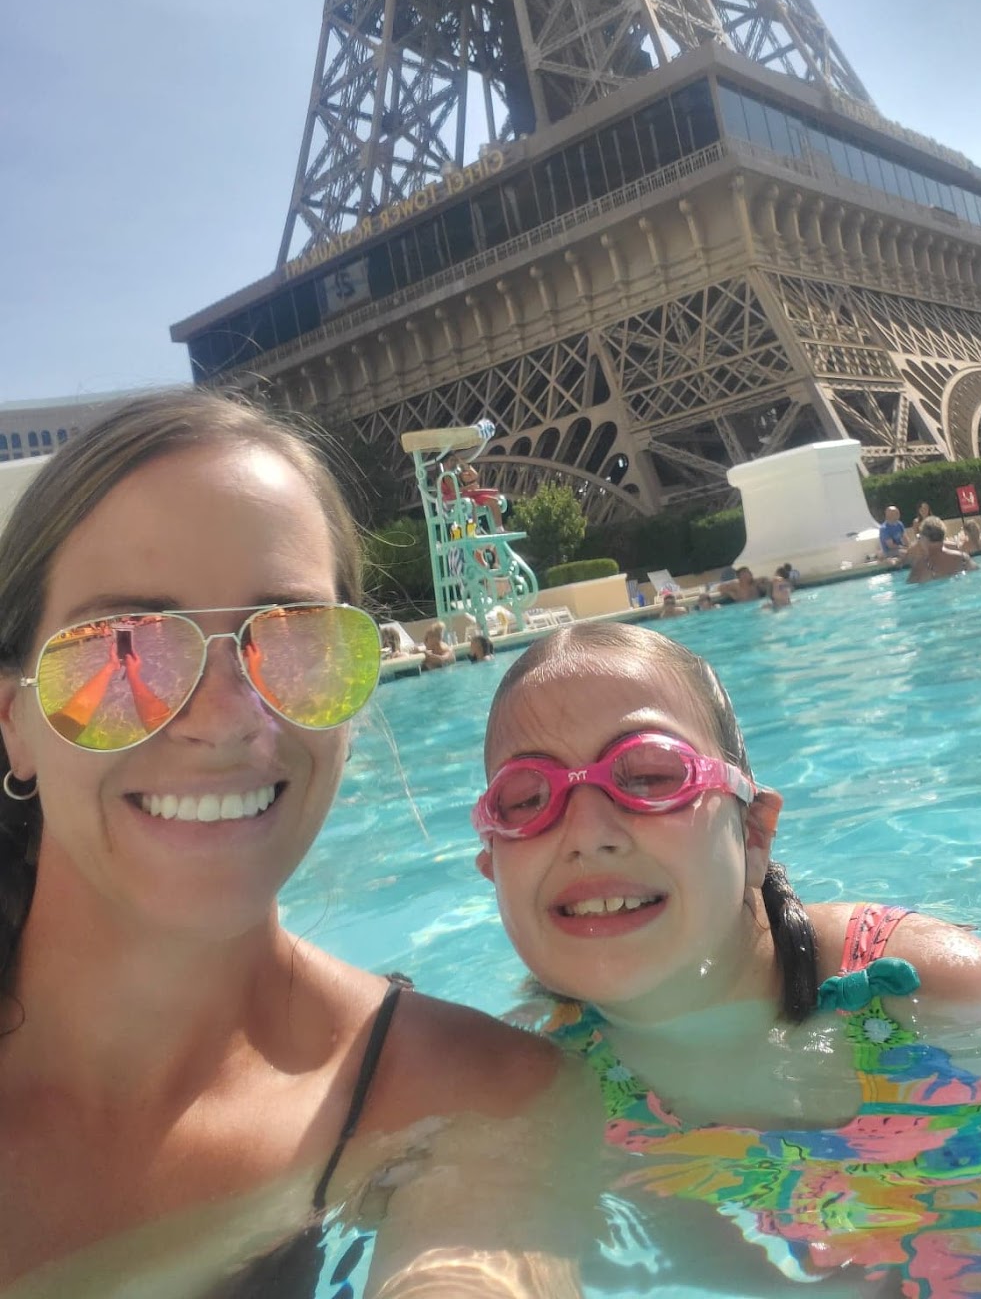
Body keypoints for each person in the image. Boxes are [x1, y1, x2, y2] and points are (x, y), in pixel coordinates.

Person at [0, 392, 586, 1297]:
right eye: (125, 649)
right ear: (15, 722)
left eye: (295, 643)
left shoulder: (471, 1092)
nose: (227, 720)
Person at [473, 624, 981, 1292]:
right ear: (492, 869)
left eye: (651, 776)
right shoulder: (553, 1087)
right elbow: (661, 1218)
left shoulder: (911, 981)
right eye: (526, 799)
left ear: (753, 834)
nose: (587, 832)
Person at [904, 516, 976, 583]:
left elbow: (909, 586)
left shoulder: (922, 566)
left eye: (920, 537)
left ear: (925, 538)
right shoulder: (963, 558)